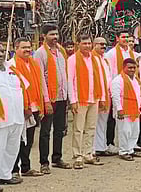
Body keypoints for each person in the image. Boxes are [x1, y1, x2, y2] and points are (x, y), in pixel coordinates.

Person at [0, 41, 27, 191]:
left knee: (12, 148)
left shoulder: (12, 69)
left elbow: (23, 88)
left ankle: (5, 174)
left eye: (2, 51)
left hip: (16, 117)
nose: (0, 54)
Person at [33, 24, 71, 173]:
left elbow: (64, 74)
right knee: (45, 131)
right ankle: (44, 162)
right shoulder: (40, 53)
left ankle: (57, 157)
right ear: (44, 36)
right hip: (49, 98)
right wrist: (46, 100)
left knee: (60, 129)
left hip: (61, 97)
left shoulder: (61, 52)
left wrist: (66, 96)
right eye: (51, 35)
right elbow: (41, 78)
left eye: (56, 34)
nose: (55, 37)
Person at [68, 34, 105, 169]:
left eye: (89, 43)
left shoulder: (95, 59)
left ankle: (88, 154)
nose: (87, 46)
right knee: (78, 128)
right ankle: (77, 155)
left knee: (91, 128)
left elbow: (100, 79)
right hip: (80, 99)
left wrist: (102, 98)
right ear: (78, 44)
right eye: (84, 43)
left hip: (93, 97)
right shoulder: (72, 60)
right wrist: (73, 100)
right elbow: (70, 81)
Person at [9, 37, 45, 178]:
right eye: (24, 47)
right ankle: (13, 170)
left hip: (35, 106)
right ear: (15, 49)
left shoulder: (33, 63)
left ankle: (26, 167)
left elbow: (38, 85)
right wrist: (25, 107)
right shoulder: (11, 65)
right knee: (17, 140)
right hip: (21, 108)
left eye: (29, 47)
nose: (27, 50)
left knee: (28, 140)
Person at [105, 30, 138, 152]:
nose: (125, 39)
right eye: (123, 37)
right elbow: (109, 73)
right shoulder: (111, 54)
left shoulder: (132, 53)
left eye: (127, 37)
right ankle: (110, 143)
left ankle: (130, 145)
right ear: (117, 38)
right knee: (114, 117)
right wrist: (112, 89)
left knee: (129, 119)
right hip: (117, 87)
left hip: (131, 89)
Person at [111, 58, 141, 161]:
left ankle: (130, 149)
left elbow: (139, 95)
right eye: (129, 67)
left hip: (135, 110)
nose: (132, 69)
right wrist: (119, 109)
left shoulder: (136, 79)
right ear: (124, 67)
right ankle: (123, 151)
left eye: (134, 67)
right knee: (124, 132)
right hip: (124, 111)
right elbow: (115, 96)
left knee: (135, 132)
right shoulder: (118, 80)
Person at [91, 37, 116, 157]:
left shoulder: (105, 59)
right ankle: (93, 148)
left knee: (103, 122)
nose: (103, 46)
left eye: (105, 44)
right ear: (94, 45)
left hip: (106, 94)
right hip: (96, 94)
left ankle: (101, 146)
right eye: (101, 44)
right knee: (94, 123)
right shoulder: (91, 58)